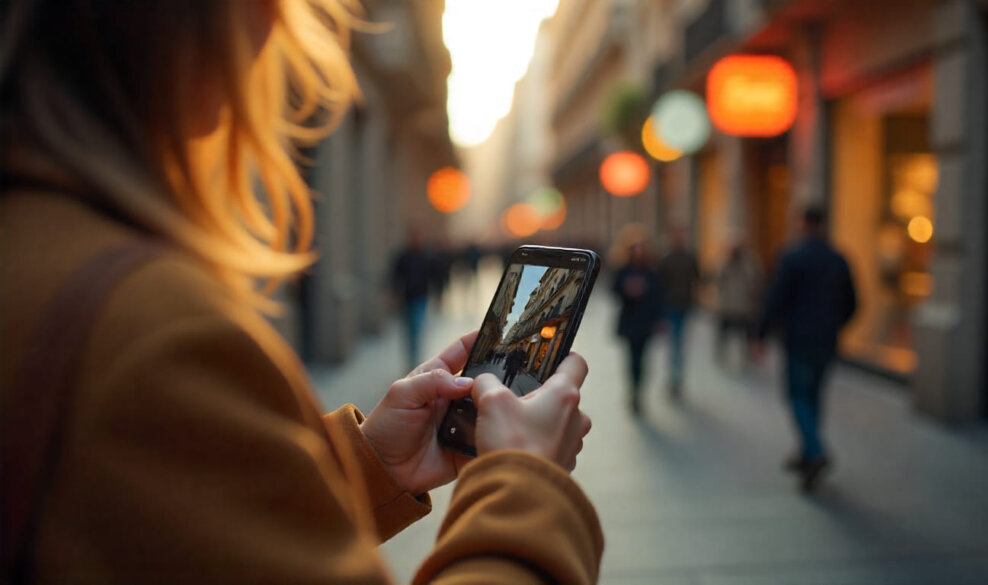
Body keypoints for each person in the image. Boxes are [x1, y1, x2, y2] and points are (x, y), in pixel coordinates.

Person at [0, 2, 602, 584]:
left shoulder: (39, 247)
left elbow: (179, 538)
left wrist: (367, 467)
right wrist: (525, 481)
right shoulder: (151, 327)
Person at [754, 207, 857, 493]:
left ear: (802, 225)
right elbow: (853, 301)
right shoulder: (838, 259)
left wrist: (761, 332)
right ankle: (806, 452)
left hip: (798, 339)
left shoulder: (792, 257)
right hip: (825, 340)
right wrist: (835, 325)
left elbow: (775, 298)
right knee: (813, 396)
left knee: (798, 395)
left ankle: (815, 449)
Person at [612, 228, 661, 415]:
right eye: (636, 248)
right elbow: (615, 290)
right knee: (632, 358)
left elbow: (658, 295)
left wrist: (658, 319)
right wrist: (628, 290)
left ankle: (639, 390)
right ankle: (633, 391)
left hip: (646, 321)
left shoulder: (651, 271)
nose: (639, 251)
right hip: (630, 321)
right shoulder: (623, 269)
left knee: (643, 359)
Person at [656, 227, 700, 399]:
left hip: (684, 305)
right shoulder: (666, 259)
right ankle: (674, 378)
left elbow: (697, 278)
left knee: (677, 343)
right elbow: (660, 284)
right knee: (675, 343)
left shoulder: (689, 258)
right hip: (671, 305)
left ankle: (676, 378)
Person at [715, 241, 762, 369]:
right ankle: (722, 357)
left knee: (744, 336)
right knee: (724, 335)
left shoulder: (749, 264)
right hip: (729, 307)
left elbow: (755, 283)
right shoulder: (726, 263)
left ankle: (745, 359)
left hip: (743, 308)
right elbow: (719, 278)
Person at [392, 228, 433, 372]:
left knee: (416, 329)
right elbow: (395, 276)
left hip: (420, 298)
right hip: (406, 299)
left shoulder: (425, 256)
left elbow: (433, 275)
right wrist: (394, 294)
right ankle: (411, 359)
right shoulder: (404, 256)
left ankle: (415, 362)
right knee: (408, 331)